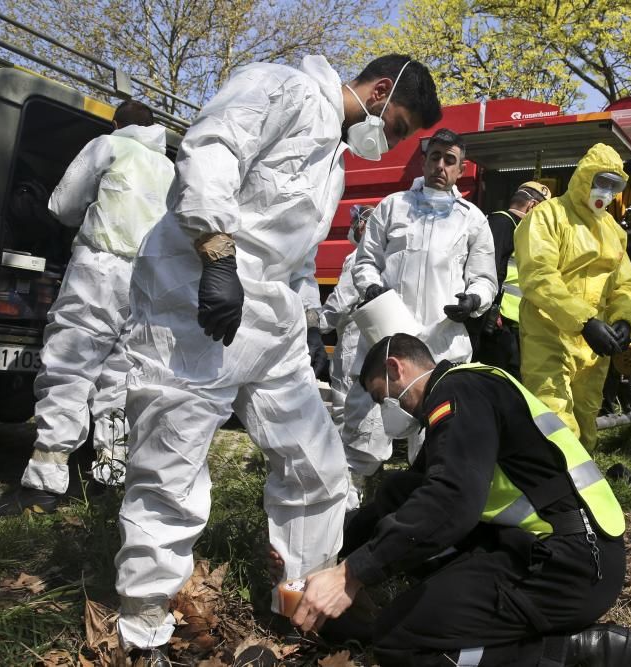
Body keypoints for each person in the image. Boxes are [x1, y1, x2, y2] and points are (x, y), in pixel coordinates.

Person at [113, 54, 441, 661]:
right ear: (379, 88)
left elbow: (291, 255)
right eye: (395, 124)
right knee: (172, 465)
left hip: (271, 320)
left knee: (317, 463)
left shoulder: (334, 165)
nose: (389, 140)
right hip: (195, 301)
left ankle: (302, 598)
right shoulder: (282, 87)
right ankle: (143, 625)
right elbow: (211, 151)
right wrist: (215, 254)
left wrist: (304, 326)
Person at [290, 334, 631, 667]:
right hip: (552, 550)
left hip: (569, 568)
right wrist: (327, 558)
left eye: (383, 397)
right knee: (401, 492)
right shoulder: (470, 389)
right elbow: (403, 501)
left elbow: (451, 502)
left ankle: (570, 652)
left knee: (399, 642)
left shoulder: (458, 392)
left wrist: (352, 574)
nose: (387, 410)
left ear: (396, 368)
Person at [0, 100, 174, 516]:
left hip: (99, 270)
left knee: (68, 371)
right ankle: (109, 478)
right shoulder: (171, 168)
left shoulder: (107, 145)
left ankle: (43, 486)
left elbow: (62, 206)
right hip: (148, 284)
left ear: (117, 123)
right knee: (121, 379)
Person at [349, 128, 496, 462]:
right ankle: (351, 506)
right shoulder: (392, 207)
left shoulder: (472, 220)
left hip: (441, 343)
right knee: (364, 427)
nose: (440, 167)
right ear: (424, 161)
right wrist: (371, 286)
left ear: (462, 169)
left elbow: (485, 279)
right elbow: (366, 261)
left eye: (450, 160)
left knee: (438, 441)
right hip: (386, 339)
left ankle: (426, 504)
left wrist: (473, 301)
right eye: (434, 157)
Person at [514, 143, 631, 447]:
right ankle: (548, 491)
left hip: (592, 347)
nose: (606, 191)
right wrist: (584, 320)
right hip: (549, 335)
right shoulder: (548, 216)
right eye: (602, 181)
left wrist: (625, 320)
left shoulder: (614, 230)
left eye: (615, 185)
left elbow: (623, 284)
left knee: (586, 424)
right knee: (554, 423)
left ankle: (577, 493)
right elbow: (539, 277)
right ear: (584, 177)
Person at [319, 204, 388, 509]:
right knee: (374, 414)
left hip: (353, 344)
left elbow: (340, 302)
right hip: (377, 339)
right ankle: (369, 482)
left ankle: (347, 498)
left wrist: (314, 324)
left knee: (346, 411)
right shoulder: (386, 256)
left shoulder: (358, 257)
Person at [475, 181, 552, 378]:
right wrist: (491, 311)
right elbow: (488, 268)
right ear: (532, 206)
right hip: (499, 320)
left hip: (513, 322)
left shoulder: (520, 229)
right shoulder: (502, 222)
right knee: (500, 376)